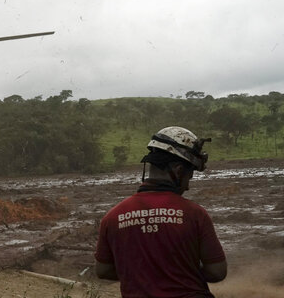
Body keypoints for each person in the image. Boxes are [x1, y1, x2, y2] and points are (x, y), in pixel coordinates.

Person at [95, 126, 226, 298]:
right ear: (179, 171)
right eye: (190, 175)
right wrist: (177, 273)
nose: (187, 185)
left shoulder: (112, 217)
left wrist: (144, 275)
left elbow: (103, 270)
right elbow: (217, 272)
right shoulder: (195, 214)